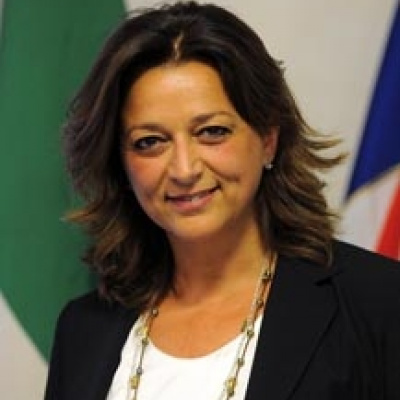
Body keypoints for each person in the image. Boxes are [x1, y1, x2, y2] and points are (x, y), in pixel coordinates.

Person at [44, 2, 400, 399]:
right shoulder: (83, 328)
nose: (184, 169)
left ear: (268, 139)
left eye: (212, 132)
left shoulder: (379, 302)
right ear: (120, 163)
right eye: (150, 142)